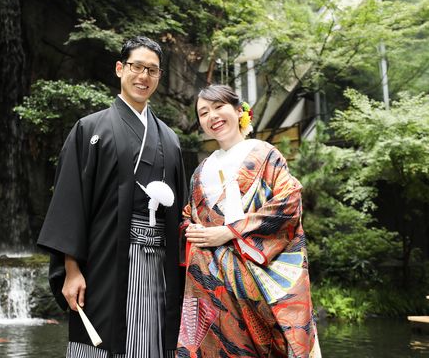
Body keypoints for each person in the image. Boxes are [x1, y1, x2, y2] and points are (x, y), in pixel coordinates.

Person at [37, 36, 187, 358]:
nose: (143, 76)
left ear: (159, 76)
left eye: (152, 70)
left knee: (153, 341)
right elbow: (70, 204)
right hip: (106, 258)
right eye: (137, 67)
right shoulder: (90, 129)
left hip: (158, 263)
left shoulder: (170, 140)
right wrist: (72, 270)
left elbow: (181, 213)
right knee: (101, 341)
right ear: (120, 68)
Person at [176, 84, 319, 357]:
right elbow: (188, 215)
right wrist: (192, 229)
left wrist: (230, 232)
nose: (212, 116)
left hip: (255, 279)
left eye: (219, 107)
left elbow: (289, 203)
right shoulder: (201, 171)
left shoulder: (264, 154)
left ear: (239, 110)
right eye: (203, 113)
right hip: (211, 283)